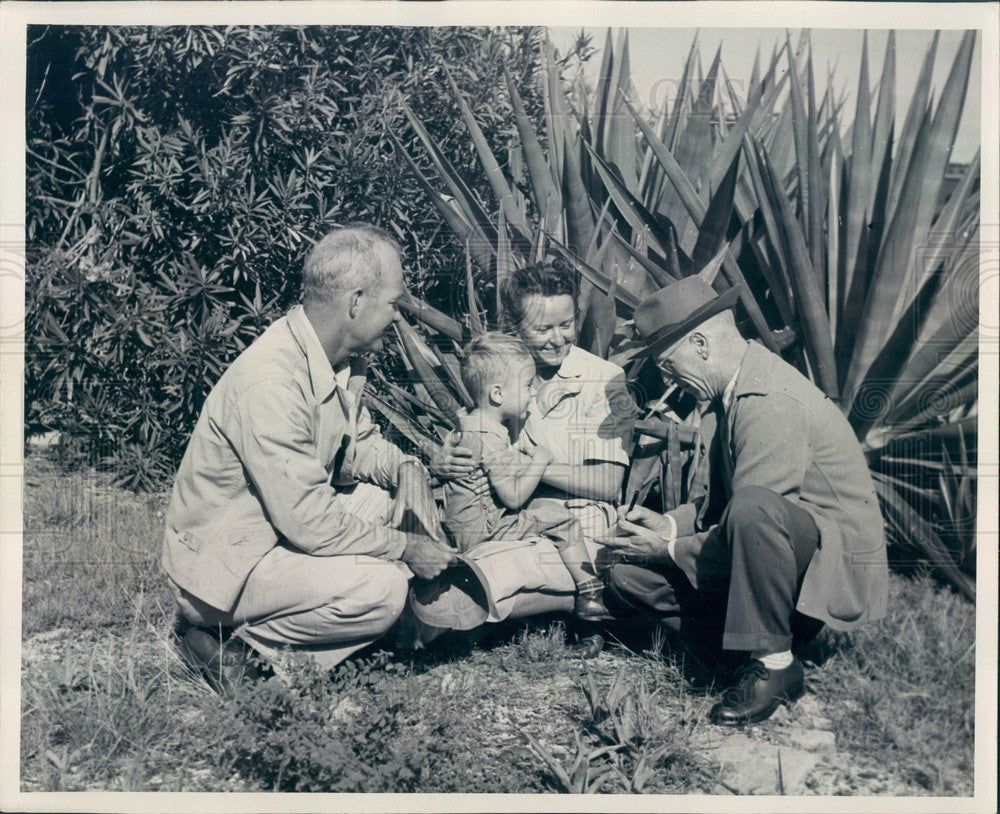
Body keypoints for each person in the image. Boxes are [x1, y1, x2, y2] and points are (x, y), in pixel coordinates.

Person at [163, 224, 457, 695]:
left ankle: (304, 624)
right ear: (356, 302)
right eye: (394, 304)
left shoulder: (337, 359)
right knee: (380, 590)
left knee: (385, 505)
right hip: (226, 568)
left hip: (271, 534)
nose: (398, 319)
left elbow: (354, 448)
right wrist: (406, 548)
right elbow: (309, 522)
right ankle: (231, 647)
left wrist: (407, 466)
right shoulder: (272, 382)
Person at [601, 276, 888, 726]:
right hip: (772, 566)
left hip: (820, 579)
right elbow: (715, 504)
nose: (668, 380)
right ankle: (738, 650)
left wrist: (669, 551)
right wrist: (668, 527)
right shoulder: (726, 397)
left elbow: (753, 514)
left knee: (754, 505)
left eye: (668, 364)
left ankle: (774, 663)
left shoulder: (768, 398)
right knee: (626, 575)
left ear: (699, 344)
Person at [442, 332, 612, 622]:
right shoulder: (490, 439)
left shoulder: (469, 426)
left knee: (543, 512)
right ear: (497, 394)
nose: (533, 393)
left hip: (464, 524)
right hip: (482, 529)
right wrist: (540, 460)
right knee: (558, 517)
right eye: (526, 386)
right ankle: (591, 590)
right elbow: (513, 497)